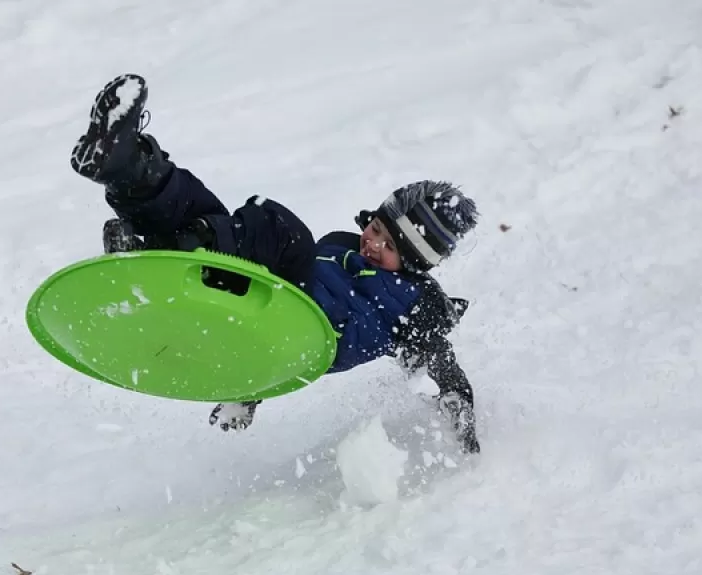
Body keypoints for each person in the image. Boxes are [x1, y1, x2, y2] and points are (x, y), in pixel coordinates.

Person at [70, 74, 480, 454]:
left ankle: (180, 246)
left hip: (305, 333)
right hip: (261, 299)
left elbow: (438, 363)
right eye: (376, 227)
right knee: (204, 208)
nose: (372, 243)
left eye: (390, 245)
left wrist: (460, 413)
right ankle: (125, 167)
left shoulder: (416, 304)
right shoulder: (342, 246)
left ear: (413, 264)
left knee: (283, 231)